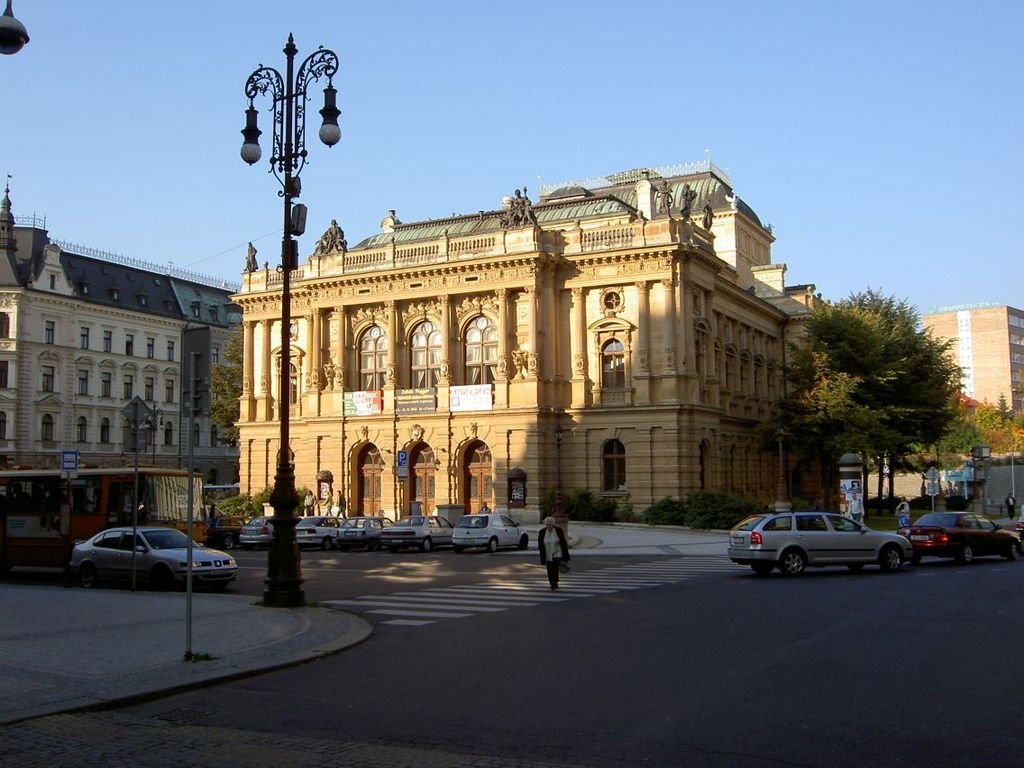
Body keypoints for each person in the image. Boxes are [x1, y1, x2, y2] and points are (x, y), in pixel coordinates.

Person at [537, 516, 570, 590]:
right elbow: (540, 545)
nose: (548, 526)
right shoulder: (542, 532)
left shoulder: (558, 531)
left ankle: (555, 582)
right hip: (547, 553)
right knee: (549, 569)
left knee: (555, 568)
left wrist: (565, 556)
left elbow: (563, 543)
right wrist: (542, 556)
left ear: (553, 524)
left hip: (557, 552)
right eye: (547, 525)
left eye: (550, 525)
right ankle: (551, 581)